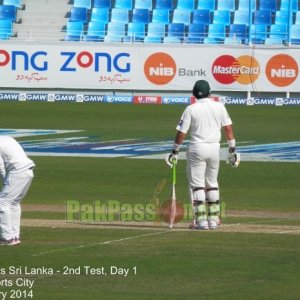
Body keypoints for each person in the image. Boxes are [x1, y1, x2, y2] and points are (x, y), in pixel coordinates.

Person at [166, 80, 240, 230]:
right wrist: (232, 149)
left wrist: (174, 151)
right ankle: (213, 220)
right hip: (214, 148)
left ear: (194, 94)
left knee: (197, 185)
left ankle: (201, 222)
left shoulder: (191, 109)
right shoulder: (219, 106)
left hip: (197, 149)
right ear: (210, 93)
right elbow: (228, 129)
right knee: (212, 183)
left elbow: (181, 133)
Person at [0, 136, 35, 245]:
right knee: (14, 203)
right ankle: (14, 236)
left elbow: (0, 167)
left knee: (2, 202)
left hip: (17, 172)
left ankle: (7, 238)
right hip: (28, 170)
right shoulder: (7, 138)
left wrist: (5, 181)